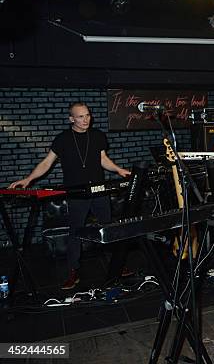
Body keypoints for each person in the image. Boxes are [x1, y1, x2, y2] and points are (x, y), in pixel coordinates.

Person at [9, 102, 131, 290]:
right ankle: (73, 272)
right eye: (81, 116)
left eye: (88, 115)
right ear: (71, 119)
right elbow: (46, 163)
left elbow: (103, 159)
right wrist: (29, 179)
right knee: (75, 233)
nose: (86, 119)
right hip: (76, 193)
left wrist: (119, 170)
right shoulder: (63, 139)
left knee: (108, 228)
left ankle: (118, 266)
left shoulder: (98, 135)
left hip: (99, 190)